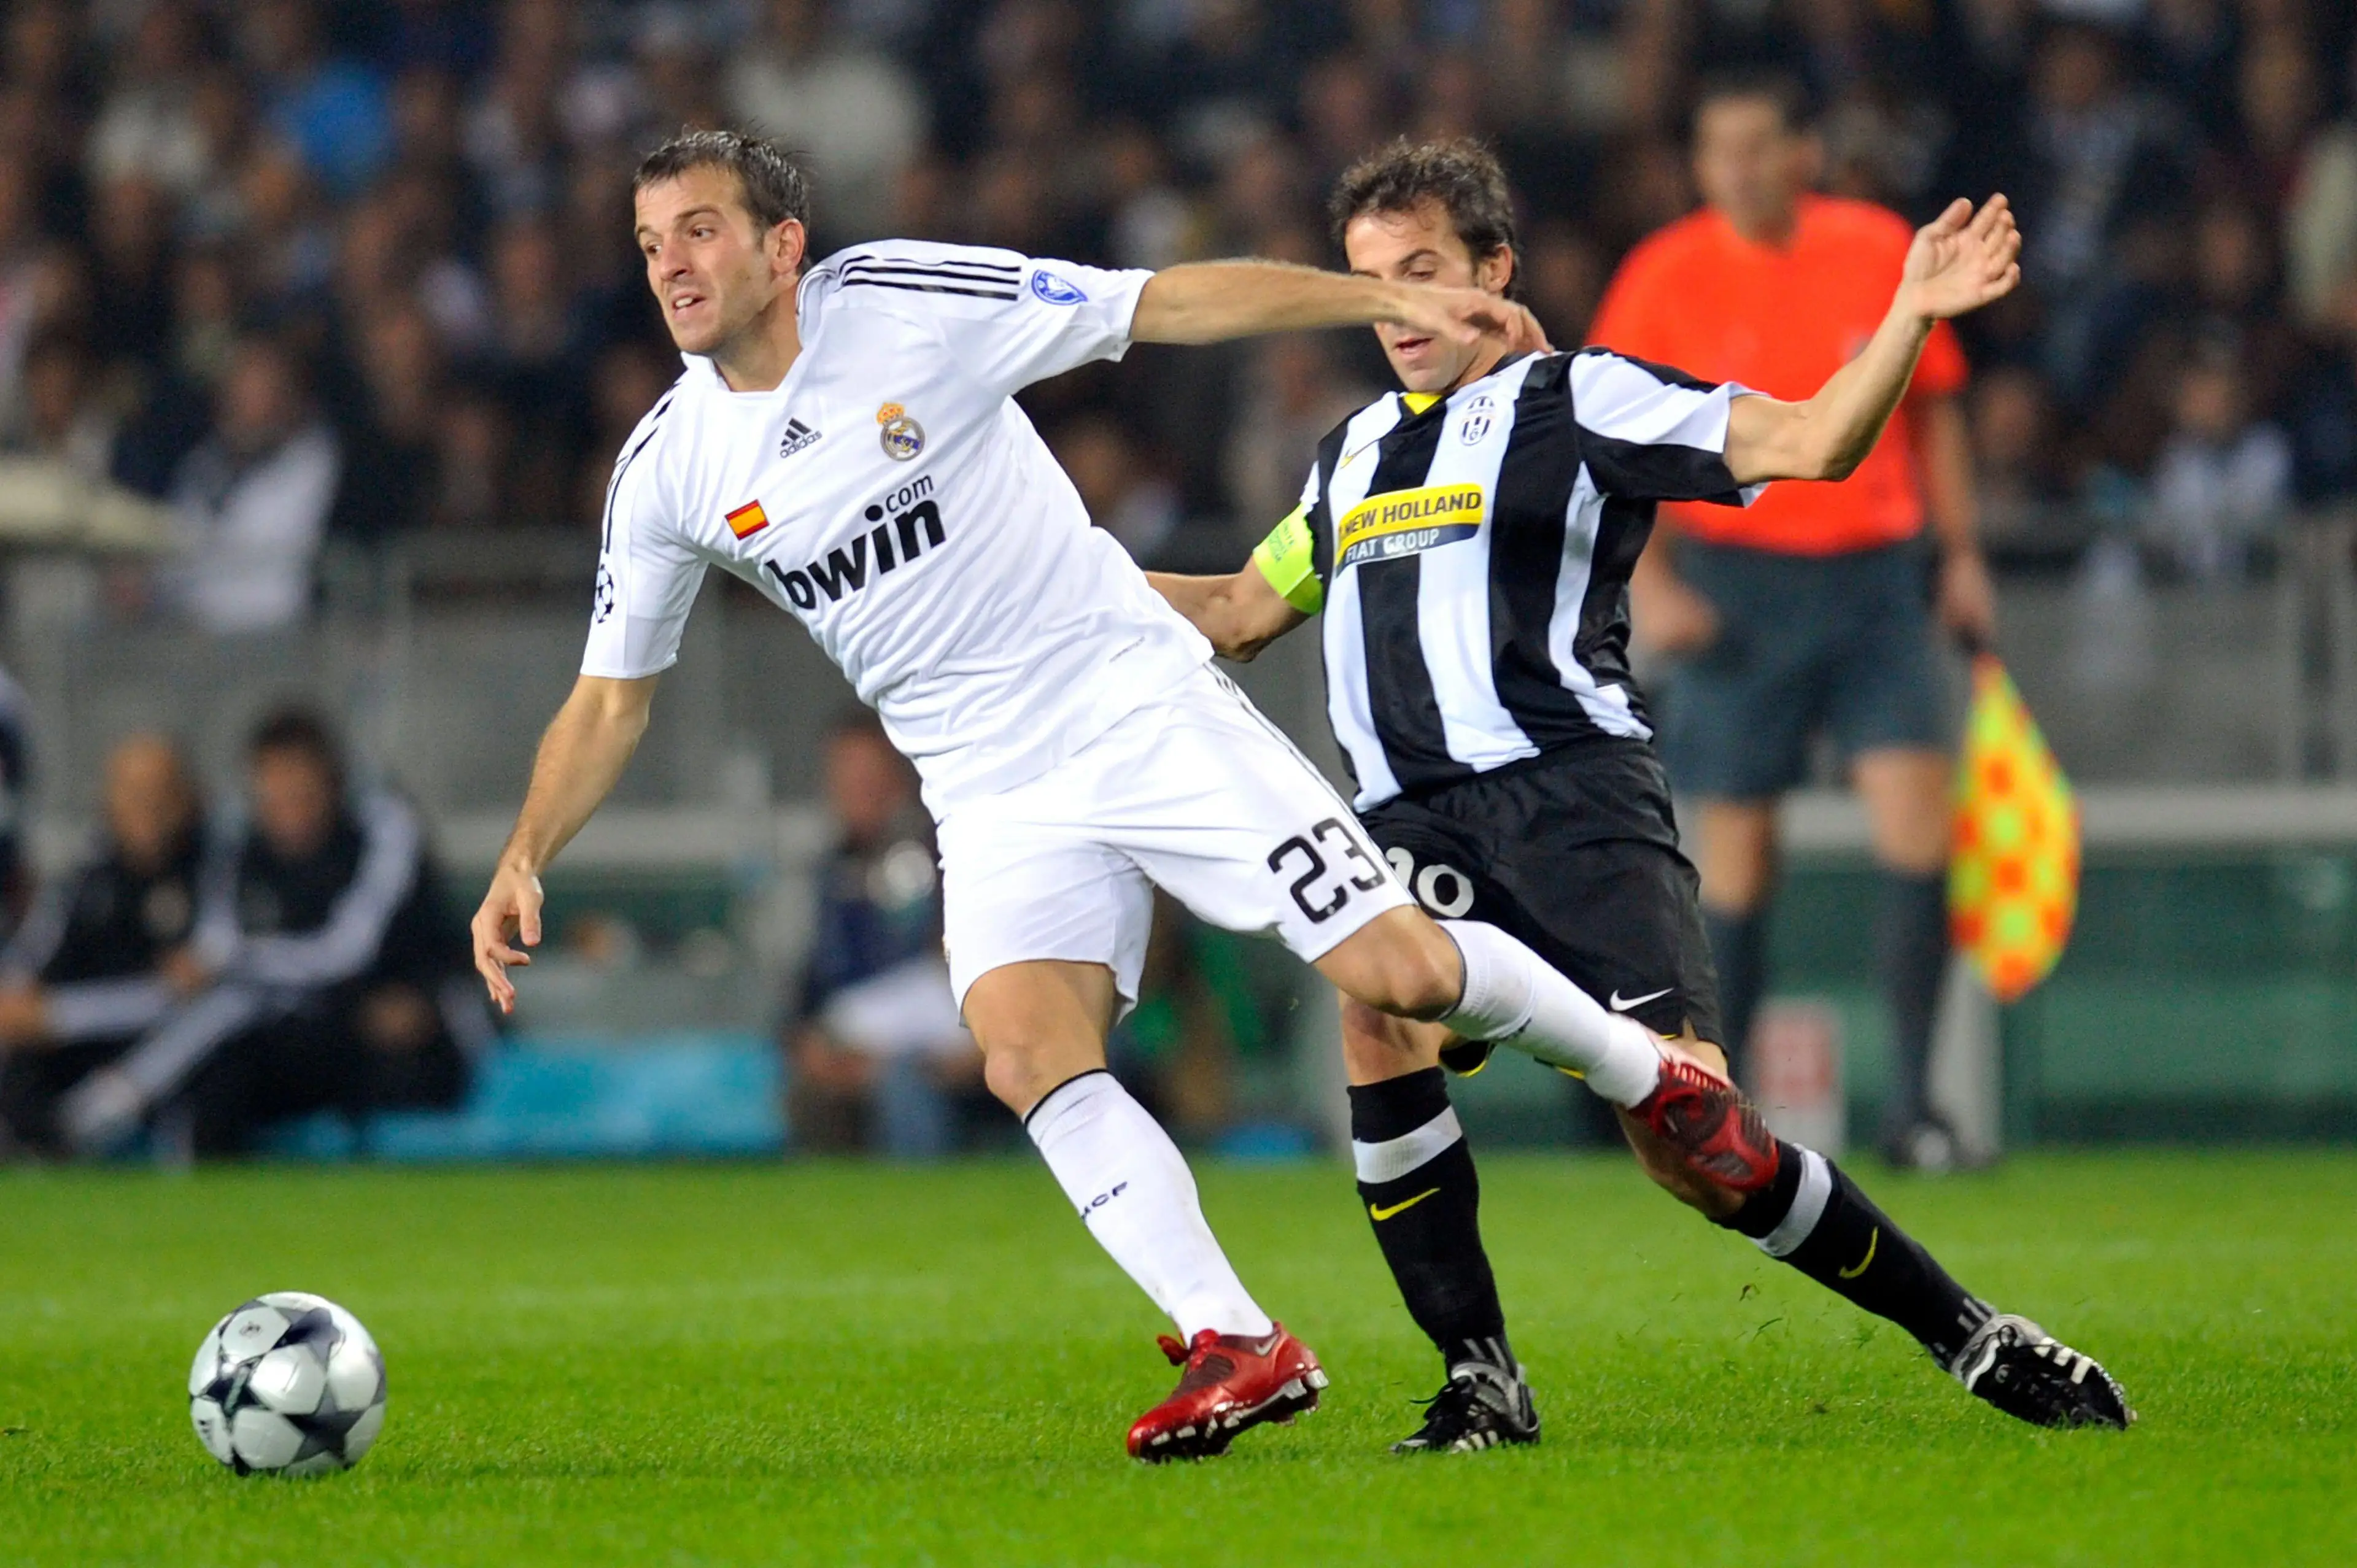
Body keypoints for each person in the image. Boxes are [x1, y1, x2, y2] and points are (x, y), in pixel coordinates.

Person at [470, 129, 1771, 1464]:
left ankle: (1646, 1070)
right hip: (982, 780)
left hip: (1131, 699)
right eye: (648, 244)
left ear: (779, 244)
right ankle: (1236, 1336)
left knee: (1405, 973)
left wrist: (1383, 298)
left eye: (696, 230)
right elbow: (611, 695)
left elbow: (1162, 302)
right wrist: (526, 853)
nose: (670, 265)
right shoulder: (670, 464)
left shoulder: (908, 304)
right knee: (1027, 1046)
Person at [1150, 137, 2130, 1451]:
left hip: (1575, 807)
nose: (1394, 308)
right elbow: (1232, 610)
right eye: (1371, 282)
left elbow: (1815, 439)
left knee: (1698, 1143)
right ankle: (1479, 1376)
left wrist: (1909, 312)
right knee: (1378, 1016)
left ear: (1496, 272)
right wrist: (1043, 575)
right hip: (1409, 823)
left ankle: (1966, 1329)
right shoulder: (1348, 458)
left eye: (1424, 271)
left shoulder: (1581, 399)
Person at [1589, 75, 1996, 1168]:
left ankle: (1916, 1104)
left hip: (1874, 577)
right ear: (1700, 161)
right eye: (1720, 147)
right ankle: (1737, 1114)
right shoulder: (1663, 272)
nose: (1741, 168)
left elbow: (1933, 415)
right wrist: (1655, 580)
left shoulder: (1874, 247)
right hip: (1737, 585)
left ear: (1802, 151)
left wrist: (1960, 556)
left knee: (1918, 827)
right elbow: (1622, 437)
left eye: (1760, 144)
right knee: (1738, 856)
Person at [60, 709, 485, 1158]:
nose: (289, 809)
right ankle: (137, 1127)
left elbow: (346, 951)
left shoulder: (384, 828)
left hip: (421, 1041)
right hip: (310, 1032)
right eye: (274, 794)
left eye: (302, 792)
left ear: (332, 783)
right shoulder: (238, 847)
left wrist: (227, 961)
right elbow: (215, 947)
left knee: (236, 1003)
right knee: (224, 1069)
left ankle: (111, 1102)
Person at [784, 710, 984, 1158]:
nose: (857, 790)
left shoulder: (944, 853)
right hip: (857, 1044)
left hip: (951, 1039)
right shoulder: (830, 872)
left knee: (904, 1086)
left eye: (869, 775)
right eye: (845, 776)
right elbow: (811, 981)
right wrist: (806, 1041)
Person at [0, 734, 205, 1156]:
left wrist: (60, 1015)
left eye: (159, 792)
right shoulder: (84, 880)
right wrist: (23, 1000)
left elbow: (192, 990)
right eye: (132, 792)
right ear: (109, 799)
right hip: (88, 1045)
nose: (146, 806)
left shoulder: (213, 874)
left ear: (185, 798)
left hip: (167, 1050)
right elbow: (28, 967)